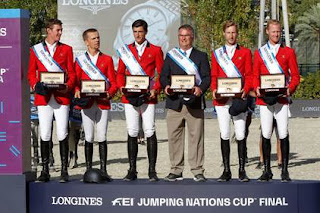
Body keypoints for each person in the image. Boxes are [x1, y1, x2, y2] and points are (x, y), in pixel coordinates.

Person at [160, 24, 211, 182]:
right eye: (181, 35)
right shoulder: (171, 56)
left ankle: (197, 170)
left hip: (194, 103)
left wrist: (200, 89)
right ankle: (176, 169)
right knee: (174, 137)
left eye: (187, 35)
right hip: (175, 103)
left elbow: (207, 77)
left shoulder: (201, 56)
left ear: (192, 37)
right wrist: (166, 86)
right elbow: (163, 76)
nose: (183, 38)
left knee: (196, 138)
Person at [28, 19, 76, 182]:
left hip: (61, 96)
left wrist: (67, 87)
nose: (60, 33)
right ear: (48, 30)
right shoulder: (36, 50)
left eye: (61, 30)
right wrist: (35, 85)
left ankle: (64, 170)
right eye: (57, 30)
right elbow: (31, 73)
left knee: (62, 131)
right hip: (44, 97)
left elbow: (72, 73)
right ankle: (45, 170)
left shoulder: (67, 49)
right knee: (45, 133)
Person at [116, 19, 164, 181]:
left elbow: (162, 74)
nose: (138, 35)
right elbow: (120, 73)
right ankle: (132, 169)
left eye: (140, 32)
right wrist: (121, 86)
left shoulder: (156, 50)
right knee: (132, 131)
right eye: (135, 32)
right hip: (129, 96)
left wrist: (155, 89)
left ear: (146, 32)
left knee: (150, 130)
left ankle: (152, 170)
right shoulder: (125, 51)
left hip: (148, 97)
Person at [253, 19, 300, 182]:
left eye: (279, 31)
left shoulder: (288, 52)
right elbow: (254, 75)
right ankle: (267, 170)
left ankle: (285, 170)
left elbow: (295, 76)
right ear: (267, 32)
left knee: (283, 133)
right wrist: (256, 87)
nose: (276, 34)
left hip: (282, 99)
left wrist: (290, 89)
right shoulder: (260, 52)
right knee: (265, 133)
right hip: (264, 100)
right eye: (273, 31)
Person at [211, 20, 253, 182]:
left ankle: (242, 170)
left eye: (234, 32)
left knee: (241, 133)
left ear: (237, 33)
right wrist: (214, 89)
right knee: (225, 133)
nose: (231, 35)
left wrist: (246, 88)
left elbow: (249, 74)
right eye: (228, 32)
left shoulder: (245, 52)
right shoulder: (217, 53)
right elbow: (214, 75)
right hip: (222, 99)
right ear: (224, 34)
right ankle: (227, 170)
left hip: (239, 98)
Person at [74, 28, 117, 182]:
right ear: (86, 42)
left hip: (102, 102)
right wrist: (77, 90)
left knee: (102, 135)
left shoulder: (107, 59)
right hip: (87, 103)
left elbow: (114, 82)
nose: (97, 40)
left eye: (98, 38)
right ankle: (88, 169)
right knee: (89, 136)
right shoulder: (80, 60)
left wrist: (109, 93)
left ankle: (104, 170)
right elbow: (75, 81)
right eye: (93, 38)